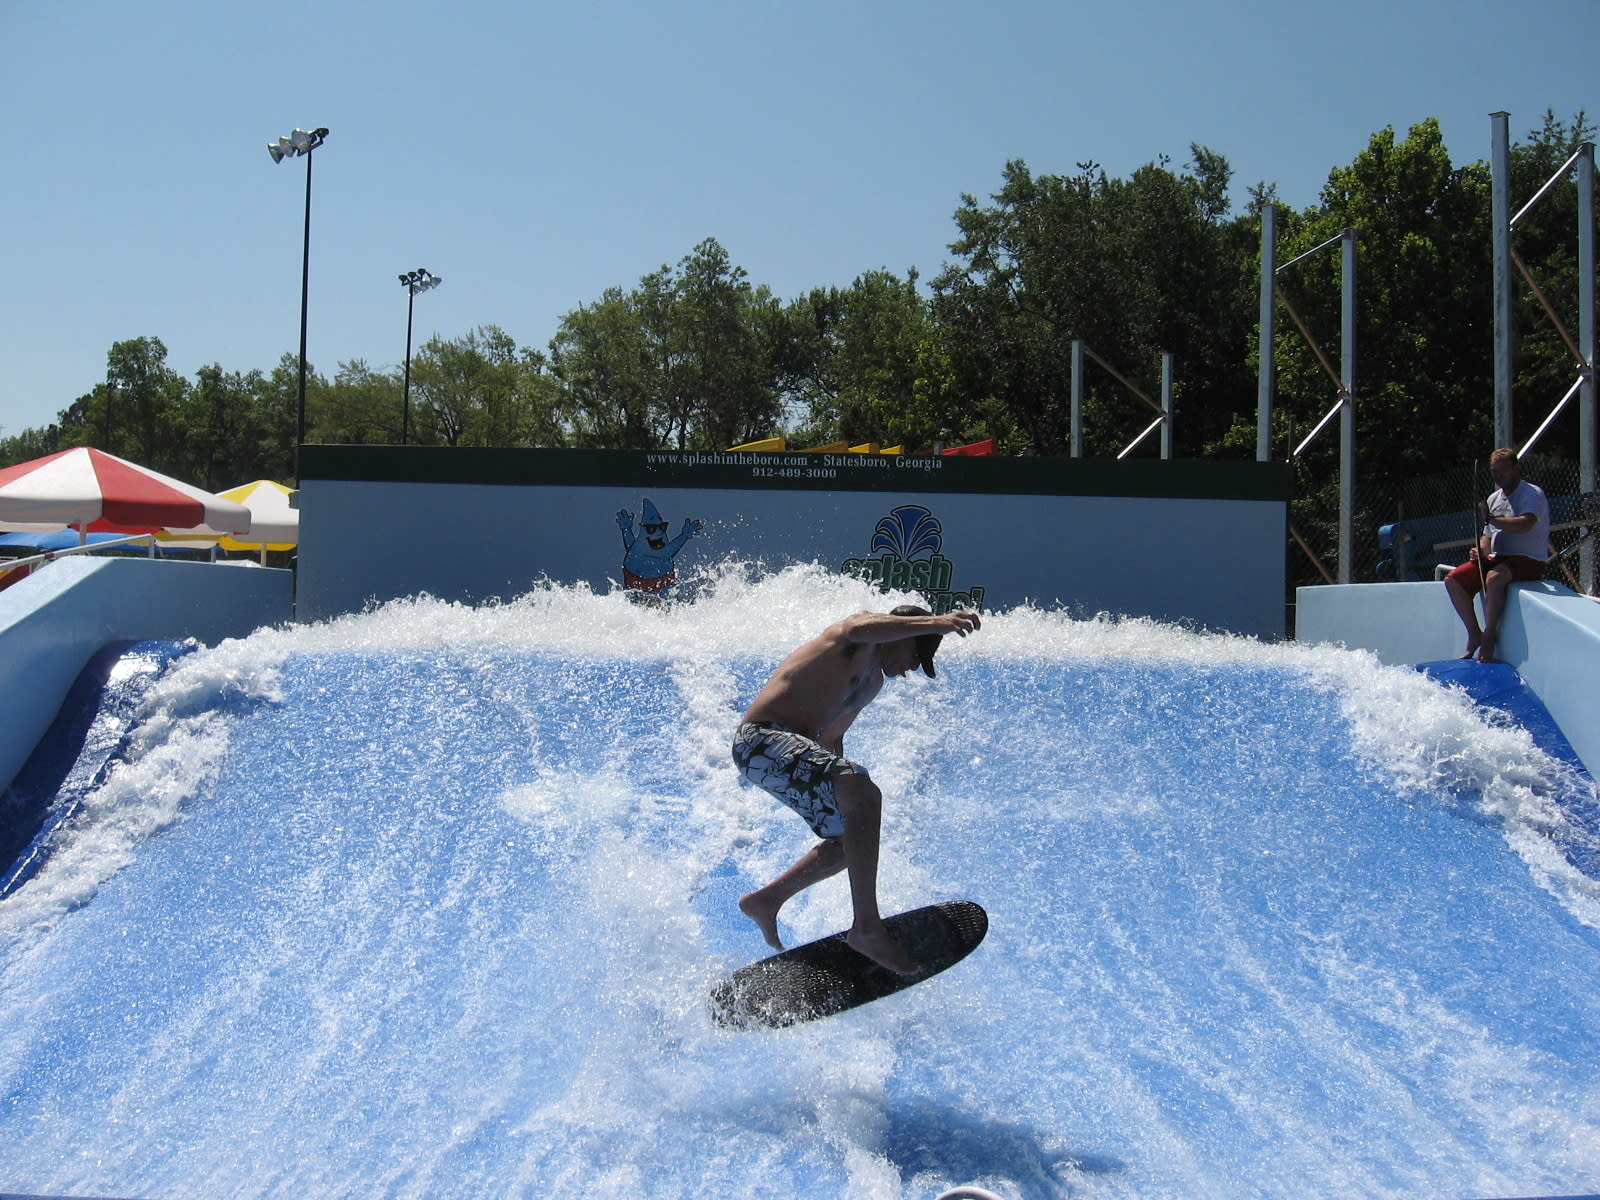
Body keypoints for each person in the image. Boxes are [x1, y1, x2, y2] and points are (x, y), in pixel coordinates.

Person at [730, 603, 981, 974]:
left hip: (784, 755)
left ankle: (767, 900)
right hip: (761, 740)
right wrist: (940, 622)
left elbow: (831, 742)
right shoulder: (853, 640)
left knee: (853, 839)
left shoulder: (872, 683)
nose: (913, 667)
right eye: (916, 654)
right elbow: (860, 626)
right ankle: (867, 928)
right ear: (900, 632)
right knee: (864, 794)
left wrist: (849, 803)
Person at [1443, 448, 1550, 662]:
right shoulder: (1494, 499)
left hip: (1528, 559)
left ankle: (1490, 634)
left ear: (1516, 468)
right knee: (1453, 580)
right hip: (1499, 558)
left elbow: (1525, 525)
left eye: (1502, 471)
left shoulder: (1532, 494)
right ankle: (1475, 634)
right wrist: (1480, 552)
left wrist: (1492, 519)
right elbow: (1487, 536)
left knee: (1493, 579)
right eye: (1494, 472)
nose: (1498, 477)